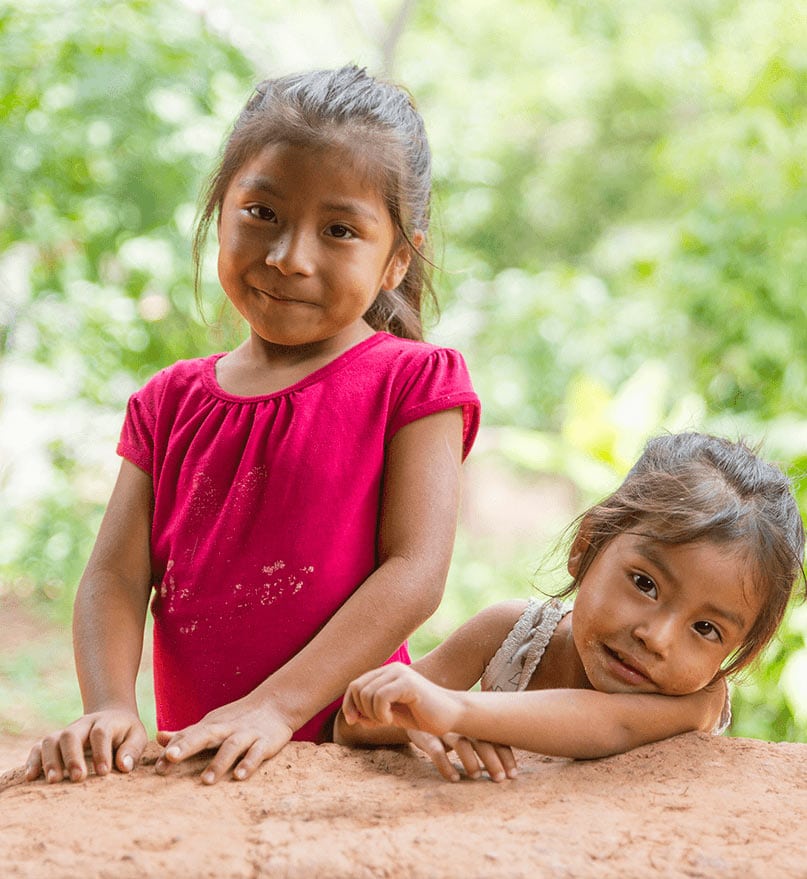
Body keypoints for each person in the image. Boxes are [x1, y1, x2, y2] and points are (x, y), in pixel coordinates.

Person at [25, 66, 480, 786]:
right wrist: (110, 705)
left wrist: (274, 706)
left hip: (348, 750)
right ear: (220, 211)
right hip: (203, 761)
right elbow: (115, 574)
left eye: (339, 230)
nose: (287, 257)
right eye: (262, 213)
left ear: (396, 259)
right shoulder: (169, 401)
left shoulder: (413, 382)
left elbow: (415, 573)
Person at [338, 432, 805, 782]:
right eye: (645, 584)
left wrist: (460, 711)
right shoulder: (512, 635)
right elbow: (357, 725)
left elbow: (609, 724)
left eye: (705, 628)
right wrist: (419, 722)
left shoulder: (698, 699)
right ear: (586, 547)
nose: (657, 638)